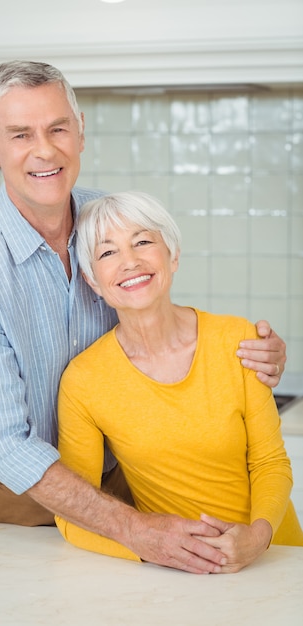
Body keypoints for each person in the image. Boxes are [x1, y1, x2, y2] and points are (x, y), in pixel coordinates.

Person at [0, 60, 287, 575]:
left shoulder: (110, 223)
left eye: (59, 128)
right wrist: (134, 529)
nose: (45, 150)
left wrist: (259, 354)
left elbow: (156, 324)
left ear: (80, 133)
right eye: (20, 134)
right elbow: (8, 447)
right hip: (9, 495)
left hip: (120, 475)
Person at [55, 191, 303, 573]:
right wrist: (154, 550)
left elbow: (270, 462)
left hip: (276, 559)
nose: (130, 261)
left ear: (172, 256)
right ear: (92, 281)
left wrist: (256, 538)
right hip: (178, 576)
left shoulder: (238, 339)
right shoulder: (83, 381)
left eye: (142, 242)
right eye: (108, 253)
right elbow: (73, 515)